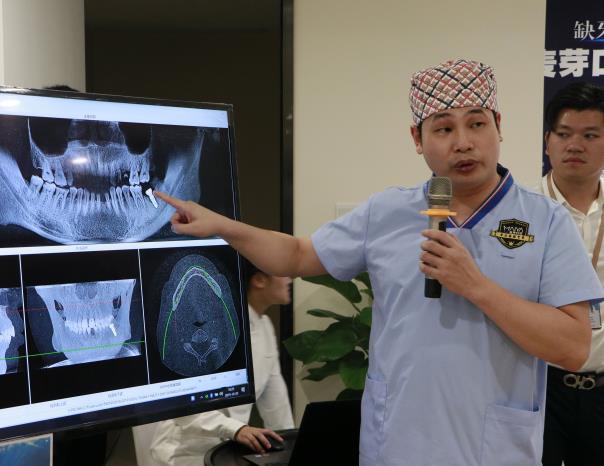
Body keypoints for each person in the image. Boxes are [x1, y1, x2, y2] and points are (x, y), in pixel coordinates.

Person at [154, 59, 604, 465]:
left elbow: (573, 347)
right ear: (417, 139)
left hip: (494, 450)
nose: (464, 143)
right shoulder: (387, 212)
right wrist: (223, 226)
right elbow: (296, 255)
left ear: (498, 126)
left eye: (476, 124)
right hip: (398, 445)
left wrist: (477, 286)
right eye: (443, 129)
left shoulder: (546, 221)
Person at [149, 260, 294, 465]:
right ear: (260, 280)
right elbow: (185, 407)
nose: (290, 279)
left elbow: (276, 404)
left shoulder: (264, 327)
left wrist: (289, 445)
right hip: (184, 452)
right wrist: (236, 429)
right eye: (284, 272)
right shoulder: (205, 331)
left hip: (229, 449)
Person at [537, 81, 604, 466]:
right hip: (538, 387)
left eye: (590, 135)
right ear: (548, 142)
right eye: (563, 134)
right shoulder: (521, 215)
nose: (574, 145)